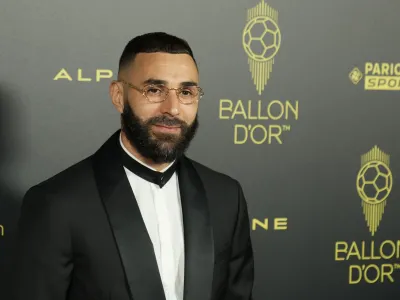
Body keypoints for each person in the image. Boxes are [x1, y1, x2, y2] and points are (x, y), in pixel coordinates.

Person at [12, 32, 254, 300]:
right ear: (118, 96)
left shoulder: (226, 197)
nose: (172, 109)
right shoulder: (57, 204)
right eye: (154, 90)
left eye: (186, 92)